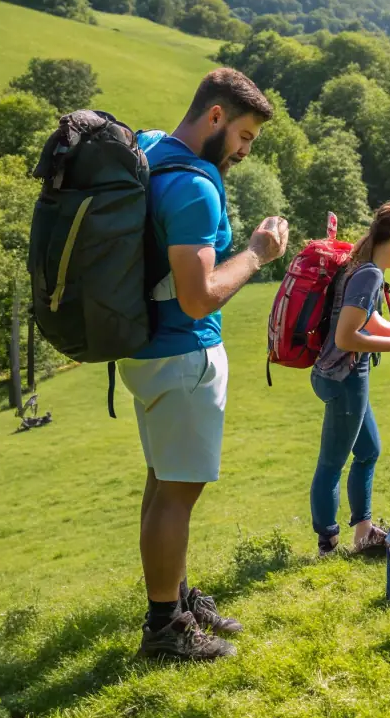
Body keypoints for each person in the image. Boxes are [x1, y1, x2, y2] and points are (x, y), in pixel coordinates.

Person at [118, 68, 289, 662]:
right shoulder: (194, 186)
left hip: (142, 351)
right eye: (244, 136)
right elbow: (199, 296)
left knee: (163, 483)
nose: (243, 151)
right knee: (177, 494)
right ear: (215, 116)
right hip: (182, 353)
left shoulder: (149, 149)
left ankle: (177, 600)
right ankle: (165, 629)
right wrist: (258, 254)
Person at [311, 201, 390, 557]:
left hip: (341, 375)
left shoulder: (361, 268)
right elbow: (346, 337)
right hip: (344, 376)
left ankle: (363, 532)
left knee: (368, 450)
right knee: (332, 463)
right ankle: (327, 543)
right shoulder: (369, 275)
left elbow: (371, 319)